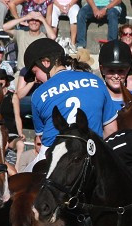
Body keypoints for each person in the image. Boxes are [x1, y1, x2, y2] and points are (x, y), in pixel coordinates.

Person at [26, 38, 119, 170]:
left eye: (35, 73)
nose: (35, 79)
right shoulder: (96, 81)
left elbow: (42, 139)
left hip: (54, 161)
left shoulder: (38, 94)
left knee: (19, 181)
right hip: (93, 158)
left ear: (46, 63)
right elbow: (111, 131)